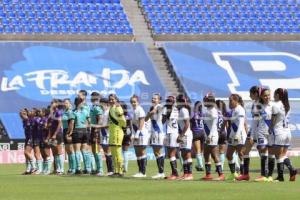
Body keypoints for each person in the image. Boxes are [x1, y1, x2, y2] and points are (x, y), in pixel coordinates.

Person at [271, 88, 297, 182]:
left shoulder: (276, 105)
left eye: (274, 94)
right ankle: (291, 169)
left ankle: (281, 176)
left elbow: (273, 121)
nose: (273, 96)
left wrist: (269, 129)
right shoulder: (288, 106)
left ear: (278, 95)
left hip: (279, 132)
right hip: (287, 132)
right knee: (283, 155)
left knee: (278, 156)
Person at [236, 86, 260, 181]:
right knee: (244, 151)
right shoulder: (255, 103)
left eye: (251, 94)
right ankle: (245, 174)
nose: (249, 96)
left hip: (258, 131)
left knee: (262, 152)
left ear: (255, 94)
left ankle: (265, 174)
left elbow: (258, 120)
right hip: (253, 130)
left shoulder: (259, 104)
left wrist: (253, 133)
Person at [253, 88, 276, 182]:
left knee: (271, 154)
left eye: (268, 95)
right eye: (265, 95)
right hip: (261, 132)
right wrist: (253, 135)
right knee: (262, 149)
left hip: (272, 133)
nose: (267, 97)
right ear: (261, 96)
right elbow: (255, 121)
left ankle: (269, 176)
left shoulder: (274, 106)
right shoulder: (258, 106)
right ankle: (263, 174)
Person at [202, 94, 224, 181]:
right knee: (206, 154)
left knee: (214, 155)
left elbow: (214, 125)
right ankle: (208, 174)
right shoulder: (208, 110)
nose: (204, 102)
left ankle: (221, 174)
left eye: (205, 100)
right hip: (207, 135)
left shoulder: (213, 111)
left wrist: (210, 136)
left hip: (212, 135)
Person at [226, 94, 247, 181]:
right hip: (233, 135)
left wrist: (238, 135)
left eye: (231, 101)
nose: (229, 103)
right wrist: (230, 135)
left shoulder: (240, 109)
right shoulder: (233, 110)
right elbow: (232, 125)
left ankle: (242, 174)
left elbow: (241, 123)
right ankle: (233, 173)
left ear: (236, 101)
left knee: (241, 154)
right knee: (229, 155)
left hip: (240, 135)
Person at [146, 93, 166, 179]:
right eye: (153, 98)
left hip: (158, 131)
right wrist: (150, 113)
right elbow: (146, 119)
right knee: (155, 152)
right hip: (153, 131)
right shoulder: (152, 108)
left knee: (158, 151)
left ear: (159, 100)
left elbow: (163, 116)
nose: (153, 100)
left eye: (155, 99)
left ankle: (161, 172)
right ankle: (160, 172)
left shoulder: (160, 106)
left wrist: (152, 112)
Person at [69, 97, 90, 174]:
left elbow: (72, 123)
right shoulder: (85, 111)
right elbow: (89, 121)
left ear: (75, 103)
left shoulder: (73, 112)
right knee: (84, 151)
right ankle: (87, 168)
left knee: (77, 151)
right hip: (85, 131)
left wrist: (70, 132)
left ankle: (78, 168)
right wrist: (86, 128)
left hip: (77, 131)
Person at [131, 95, 149, 178]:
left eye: (134, 101)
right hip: (136, 133)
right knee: (137, 152)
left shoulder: (140, 110)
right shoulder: (134, 110)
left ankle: (143, 172)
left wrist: (138, 132)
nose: (133, 103)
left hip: (141, 133)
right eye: (132, 102)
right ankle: (139, 171)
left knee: (142, 151)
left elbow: (142, 122)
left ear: (138, 102)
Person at [108, 94, 126, 177]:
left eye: (113, 99)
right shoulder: (111, 108)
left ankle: (120, 171)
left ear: (116, 99)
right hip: (112, 132)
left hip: (117, 131)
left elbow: (123, 120)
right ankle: (115, 170)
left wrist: (123, 128)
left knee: (118, 152)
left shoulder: (118, 108)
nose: (111, 101)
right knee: (113, 152)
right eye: (110, 99)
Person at [176, 94, 193, 180]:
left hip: (186, 134)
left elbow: (187, 123)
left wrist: (181, 135)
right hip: (183, 134)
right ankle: (185, 173)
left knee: (187, 153)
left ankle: (190, 174)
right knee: (183, 154)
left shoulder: (183, 110)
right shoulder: (181, 110)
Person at [163, 96, 180, 180]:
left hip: (170, 132)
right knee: (174, 153)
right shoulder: (177, 110)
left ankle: (175, 173)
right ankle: (175, 172)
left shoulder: (166, 110)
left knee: (171, 154)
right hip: (176, 132)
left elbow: (162, 121)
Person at [47, 99, 64, 175]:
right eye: (51, 103)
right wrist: (50, 135)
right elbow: (50, 124)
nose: (51, 104)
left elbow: (59, 123)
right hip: (52, 134)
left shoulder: (58, 112)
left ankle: (61, 169)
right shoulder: (52, 113)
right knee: (54, 152)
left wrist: (55, 134)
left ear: (57, 104)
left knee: (59, 151)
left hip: (58, 134)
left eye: (53, 103)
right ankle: (57, 169)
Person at [90, 92, 104, 176]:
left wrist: (97, 129)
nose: (91, 98)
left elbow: (100, 118)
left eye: (93, 97)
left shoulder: (97, 107)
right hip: (92, 129)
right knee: (94, 150)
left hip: (96, 130)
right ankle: (97, 169)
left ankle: (100, 170)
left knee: (97, 149)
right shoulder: (93, 106)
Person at [99, 98, 114, 175]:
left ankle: (111, 170)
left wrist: (103, 126)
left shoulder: (109, 112)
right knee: (106, 152)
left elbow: (111, 124)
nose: (100, 105)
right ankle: (109, 170)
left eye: (102, 104)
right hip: (102, 133)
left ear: (106, 104)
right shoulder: (102, 112)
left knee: (108, 151)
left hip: (107, 134)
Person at [20, 108, 36, 175]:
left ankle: (34, 168)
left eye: (23, 113)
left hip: (31, 138)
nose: (21, 115)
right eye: (20, 114)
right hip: (27, 138)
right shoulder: (24, 121)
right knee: (26, 154)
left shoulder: (29, 120)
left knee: (26, 152)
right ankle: (28, 169)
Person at [190, 101, 205, 172]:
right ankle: (200, 164)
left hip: (196, 132)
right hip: (202, 132)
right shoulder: (202, 114)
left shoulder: (193, 114)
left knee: (198, 150)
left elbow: (190, 122)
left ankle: (200, 165)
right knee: (201, 150)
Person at [62, 98, 75, 174]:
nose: (65, 104)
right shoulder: (65, 112)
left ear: (70, 104)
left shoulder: (70, 112)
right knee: (68, 151)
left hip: (68, 131)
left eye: (66, 103)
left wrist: (69, 133)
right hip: (64, 131)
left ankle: (74, 168)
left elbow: (71, 123)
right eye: (64, 103)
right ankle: (70, 168)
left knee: (71, 150)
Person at [216, 100, 228, 170]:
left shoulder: (214, 112)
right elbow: (227, 125)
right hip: (223, 132)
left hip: (216, 132)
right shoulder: (225, 113)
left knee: (215, 150)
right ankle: (221, 166)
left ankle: (218, 165)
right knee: (222, 151)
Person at [120, 101, 132, 174]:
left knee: (122, 151)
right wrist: (131, 134)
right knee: (125, 151)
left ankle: (122, 167)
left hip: (121, 133)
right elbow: (130, 126)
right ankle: (125, 168)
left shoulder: (119, 115)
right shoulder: (128, 115)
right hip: (127, 133)